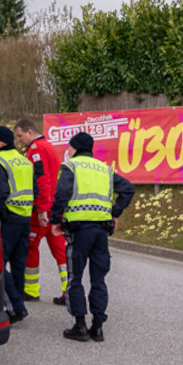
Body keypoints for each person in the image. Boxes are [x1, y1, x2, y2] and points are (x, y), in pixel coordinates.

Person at [50, 131, 135, 342]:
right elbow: (128, 189)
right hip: (101, 232)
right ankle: (97, 327)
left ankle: (79, 326)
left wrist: (55, 220)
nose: (67, 151)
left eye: (69, 148)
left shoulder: (70, 166)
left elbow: (61, 194)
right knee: (99, 279)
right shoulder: (105, 169)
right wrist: (115, 213)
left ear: (75, 148)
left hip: (79, 232)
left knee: (75, 278)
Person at [0, 125, 40, 322]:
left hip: (7, 220)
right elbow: (35, 189)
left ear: (2, 141)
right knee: (18, 265)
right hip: (24, 219)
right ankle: (19, 305)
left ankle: (15, 306)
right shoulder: (24, 162)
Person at [14, 118, 69, 306]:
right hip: (55, 207)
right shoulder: (49, 146)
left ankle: (30, 290)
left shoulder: (36, 149)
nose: (19, 140)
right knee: (60, 250)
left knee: (31, 246)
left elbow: (42, 180)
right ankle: (68, 290)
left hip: (42, 210)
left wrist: (42, 209)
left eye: (20, 136)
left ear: (30, 132)